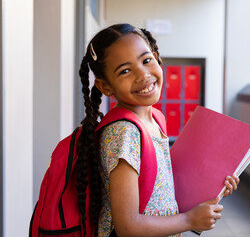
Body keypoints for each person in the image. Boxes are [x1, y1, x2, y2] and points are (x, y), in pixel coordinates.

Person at [76, 23, 240, 237]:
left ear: (156, 57)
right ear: (105, 87)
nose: (143, 75)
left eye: (146, 60)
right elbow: (127, 226)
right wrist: (189, 219)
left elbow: (160, 192)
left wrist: (211, 188)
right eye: (125, 71)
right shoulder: (125, 133)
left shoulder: (156, 119)